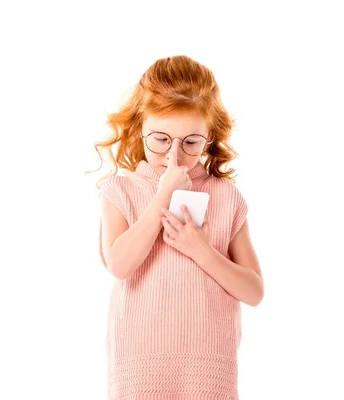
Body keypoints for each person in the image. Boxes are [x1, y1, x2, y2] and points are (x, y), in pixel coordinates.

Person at [91, 55, 264, 399]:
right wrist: (162, 196)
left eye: (190, 142)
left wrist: (201, 251)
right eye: (160, 139)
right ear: (140, 126)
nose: (174, 156)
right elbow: (120, 265)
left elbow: (254, 291)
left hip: (209, 363)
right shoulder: (120, 191)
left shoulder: (226, 195)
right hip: (139, 362)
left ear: (209, 135)